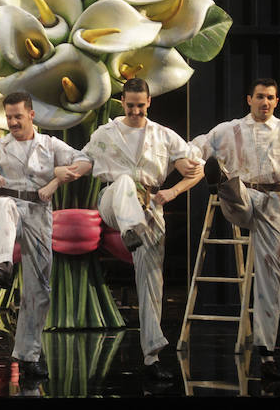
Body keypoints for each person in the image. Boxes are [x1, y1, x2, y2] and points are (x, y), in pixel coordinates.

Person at [191, 78, 280, 381]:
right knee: (233, 190)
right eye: (259, 97)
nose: (264, 102)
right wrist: (190, 161)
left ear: (276, 101)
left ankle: (266, 351)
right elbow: (195, 146)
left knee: (270, 275)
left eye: (270, 98)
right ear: (249, 99)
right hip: (241, 200)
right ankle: (223, 181)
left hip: (273, 202)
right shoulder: (229, 129)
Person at [82, 78, 203, 381]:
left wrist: (175, 190)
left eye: (140, 105)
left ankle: (152, 356)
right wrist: (65, 173)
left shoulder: (163, 135)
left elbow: (197, 166)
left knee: (151, 281)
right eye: (130, 105)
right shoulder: (106, 133)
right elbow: (83, 159)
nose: (135, 110)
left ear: (149, 102)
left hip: (150, 206)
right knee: (124, 181)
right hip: (113, 201)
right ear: (122, 102)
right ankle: (130, 230)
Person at [0, 92, 92, 379]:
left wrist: (56, 179)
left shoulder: (50, 144)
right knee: (2, 204)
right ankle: (2, 265)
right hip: (10, 207)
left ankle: (29, 355)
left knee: (39, 288)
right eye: (9, 117)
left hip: (39, 212)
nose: (13, 122)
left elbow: (85, 161)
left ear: (31, 115)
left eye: (18, 116)